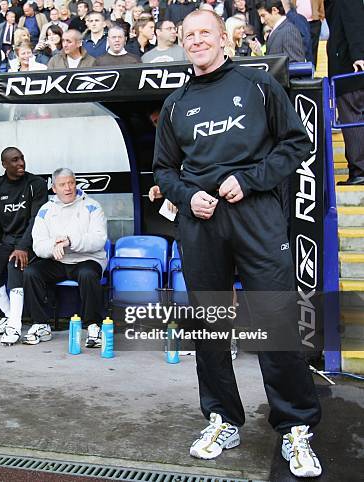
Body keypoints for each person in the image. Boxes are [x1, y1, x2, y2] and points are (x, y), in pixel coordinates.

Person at [152, 9, 322, 478]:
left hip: (256, 215)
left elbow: (295, 145)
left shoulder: (259, 84)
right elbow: (164, 171)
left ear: (224, 38)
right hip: (202, 223)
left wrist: (248, 181)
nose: (198, 40)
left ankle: (295, 426)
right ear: (182, 43)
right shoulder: (175, 103)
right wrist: (189, 197)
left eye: (206, 32)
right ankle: (223, 418)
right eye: (189, 35)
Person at [24, 168, 108, 346]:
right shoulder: (45, 210)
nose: (68, 188)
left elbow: (99, 239)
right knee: (31, 272)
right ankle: (41, 324)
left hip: (87, 259)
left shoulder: (92, 206)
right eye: (62, 185)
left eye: (71, 183)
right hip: (58, 260)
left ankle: (93, 326)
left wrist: (70, 240)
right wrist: (52, 247)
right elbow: (38, 244)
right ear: (54, 188)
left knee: (88, 274)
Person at [0, 147, 48, 346]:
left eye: (22, 159)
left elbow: (37, 220)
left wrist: (23, 246)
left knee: (15, 265)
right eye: (14, 160)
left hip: (32, 242)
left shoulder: (36, 184)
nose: (20, 163)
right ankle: (11, 315)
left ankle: (14, 326)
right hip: (7, 242)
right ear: (4, 164)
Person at [326, 0, 364, 185]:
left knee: (352, 118)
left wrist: (359, 56)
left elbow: (355, 23)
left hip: (349, 69)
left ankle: (359, 170)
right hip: (348, 67)